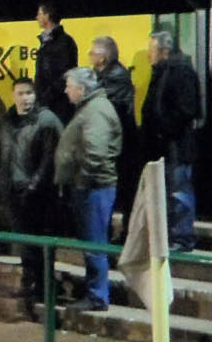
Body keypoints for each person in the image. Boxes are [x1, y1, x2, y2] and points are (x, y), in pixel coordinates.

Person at [0, 77, 63, 302]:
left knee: (40, 241)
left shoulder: (46, 120)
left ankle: (45, 287)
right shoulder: (6, 121)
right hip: (12, 190)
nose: (25, 98)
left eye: (29, 93)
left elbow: (51, 157)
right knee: (24, 242)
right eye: (20, 93)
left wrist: (35, 184)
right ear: (13, 96)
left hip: (38, 193)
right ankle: (30, 282)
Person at [55, 68, 122, 310]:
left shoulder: (96, 111)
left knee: (94, 243)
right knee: (92, 242)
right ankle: (95, 293)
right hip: (90, 186)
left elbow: (95, 153)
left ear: (82, 89)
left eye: (69, 86)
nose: (66, 91)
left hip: (94, 187)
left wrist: (82, 181)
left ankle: (97, 296)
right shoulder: (91, 108)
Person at [141, 28, 203, 251]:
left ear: (164, 50)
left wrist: (164, 129)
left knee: (179, 192)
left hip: (176, 146)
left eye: (151, 50)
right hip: (164, 146)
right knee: (169, 193)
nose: (149, 55)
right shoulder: (163, 71)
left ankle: (182, 237)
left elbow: (187, 110)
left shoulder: (180, 72)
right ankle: (172, 235)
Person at [87, 35, 141, 215]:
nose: (90, 56)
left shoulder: (114, 78)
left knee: (122, 188)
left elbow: (100, 105)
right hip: (115, 142)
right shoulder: (104, 75)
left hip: (120, 144)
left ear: (103, 58)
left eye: (92, 53)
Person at [33, 1, 78, 122]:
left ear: (47, 16)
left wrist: (45, 97)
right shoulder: (47, 42)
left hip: (58, 107)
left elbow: (65, 75)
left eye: (39, 14)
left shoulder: (64, 42)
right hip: (46, 106)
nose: (37, 17)